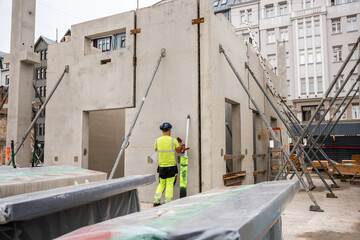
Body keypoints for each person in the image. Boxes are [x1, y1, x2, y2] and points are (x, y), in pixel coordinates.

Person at [153, 122, 181, 207]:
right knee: (169, 184)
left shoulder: (157, 140)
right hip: (171, 166)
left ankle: (156, 201)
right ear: (169, 130)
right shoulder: (173, 140)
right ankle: (168, 203)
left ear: (162, 131)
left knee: (161, 184)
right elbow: (179, 151)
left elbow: (156, 150)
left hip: (161, 167)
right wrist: (179, 143)